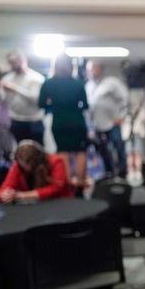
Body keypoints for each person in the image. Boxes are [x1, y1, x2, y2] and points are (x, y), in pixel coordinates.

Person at [38, 54, 89, 191]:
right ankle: (80, 183)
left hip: (59, 121)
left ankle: (66, 184)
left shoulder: (48, 83)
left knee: (63, 151)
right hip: (77, 120)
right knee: (80, 152)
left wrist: (54, 106)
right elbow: (85, 105)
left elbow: (41, 103)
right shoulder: (78, 83)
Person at [86, 60, 129, 178]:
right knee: (103, 150)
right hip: (97, 124)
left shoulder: (111, 83)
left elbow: (124, 100)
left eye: (95, 68)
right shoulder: (89, 86)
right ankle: (108, 173)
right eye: (90, 69)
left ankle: (122, 174)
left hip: (113, 122)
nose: (92, 71)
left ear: (101, 69)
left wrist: (121, 117)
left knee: (118, 148)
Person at [0, 140, 73, 203]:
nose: (26, 169)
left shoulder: (56, 162)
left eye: (28, 164)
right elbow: (5, 187)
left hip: (58, 202)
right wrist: (5, 195)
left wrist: (21, 195)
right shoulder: (18, 166)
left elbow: (57, 187)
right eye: (23, 166)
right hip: (33, 205)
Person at [0, 52, 45, 144]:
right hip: (16, 120)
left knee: (37, 150)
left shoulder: (36, 78)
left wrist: (15, 89)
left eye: (15, 62)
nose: (13, 65)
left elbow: (35, 99)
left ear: (23, 60)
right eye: (11, 62)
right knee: (19, 150)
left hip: (34, 120)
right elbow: (3, 100)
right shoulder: (7, 78)